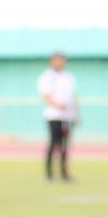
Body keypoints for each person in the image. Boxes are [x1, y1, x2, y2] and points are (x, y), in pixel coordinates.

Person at [39, 51, 77, 182]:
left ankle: (64, 173)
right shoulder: (47, 76)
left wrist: (76, 113)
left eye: (62, 60)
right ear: (52, 62)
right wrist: (58, 106)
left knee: (65, 145)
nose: (60, 63)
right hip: (53, 116)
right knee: (53, 143)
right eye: (57, 60)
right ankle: (49, 174)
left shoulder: (69, 77)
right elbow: (46, 96)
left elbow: (73, 96)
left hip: (68, 116)